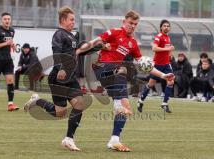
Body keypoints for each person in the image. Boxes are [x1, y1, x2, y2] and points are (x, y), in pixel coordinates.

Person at [77, 11, 174, 152]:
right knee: (122, 70)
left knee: (123, 104)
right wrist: (78, 51)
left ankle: (114, 140)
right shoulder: (115, 32)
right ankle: (120, 105)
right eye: (130, 23)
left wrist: (164, 76)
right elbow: (94, 42)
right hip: (101, 68)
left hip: (114, 75)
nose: (132, 26)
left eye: (135, 24)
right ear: (124, 22)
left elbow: (144, 64)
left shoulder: (133, 43)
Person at [24, 6, 88, 151]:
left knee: (79, 104)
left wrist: (99, 47)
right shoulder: (59, 34)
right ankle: (37, 101)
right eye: (71, 19)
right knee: (60, 113)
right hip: (58, 77)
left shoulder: (71, 36)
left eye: (74, 19)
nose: (73, 22)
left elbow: (78, 52)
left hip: (70, 78)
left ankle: (68, 139)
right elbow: (57, 53)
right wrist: (61, 68)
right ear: (63, 20)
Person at [137, 19, 175, 113]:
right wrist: (167, 49)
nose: (166, 27)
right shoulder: (159, 36)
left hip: (166, 64)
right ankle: (140, 101)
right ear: (161, 27)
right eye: (164, 26)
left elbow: (167, 49)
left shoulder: (167, 37)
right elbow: (154, 48)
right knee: (150, 84)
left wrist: (170, 54)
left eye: (168, 26)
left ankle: (164, 103)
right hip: (157, 65)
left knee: (171, 81)